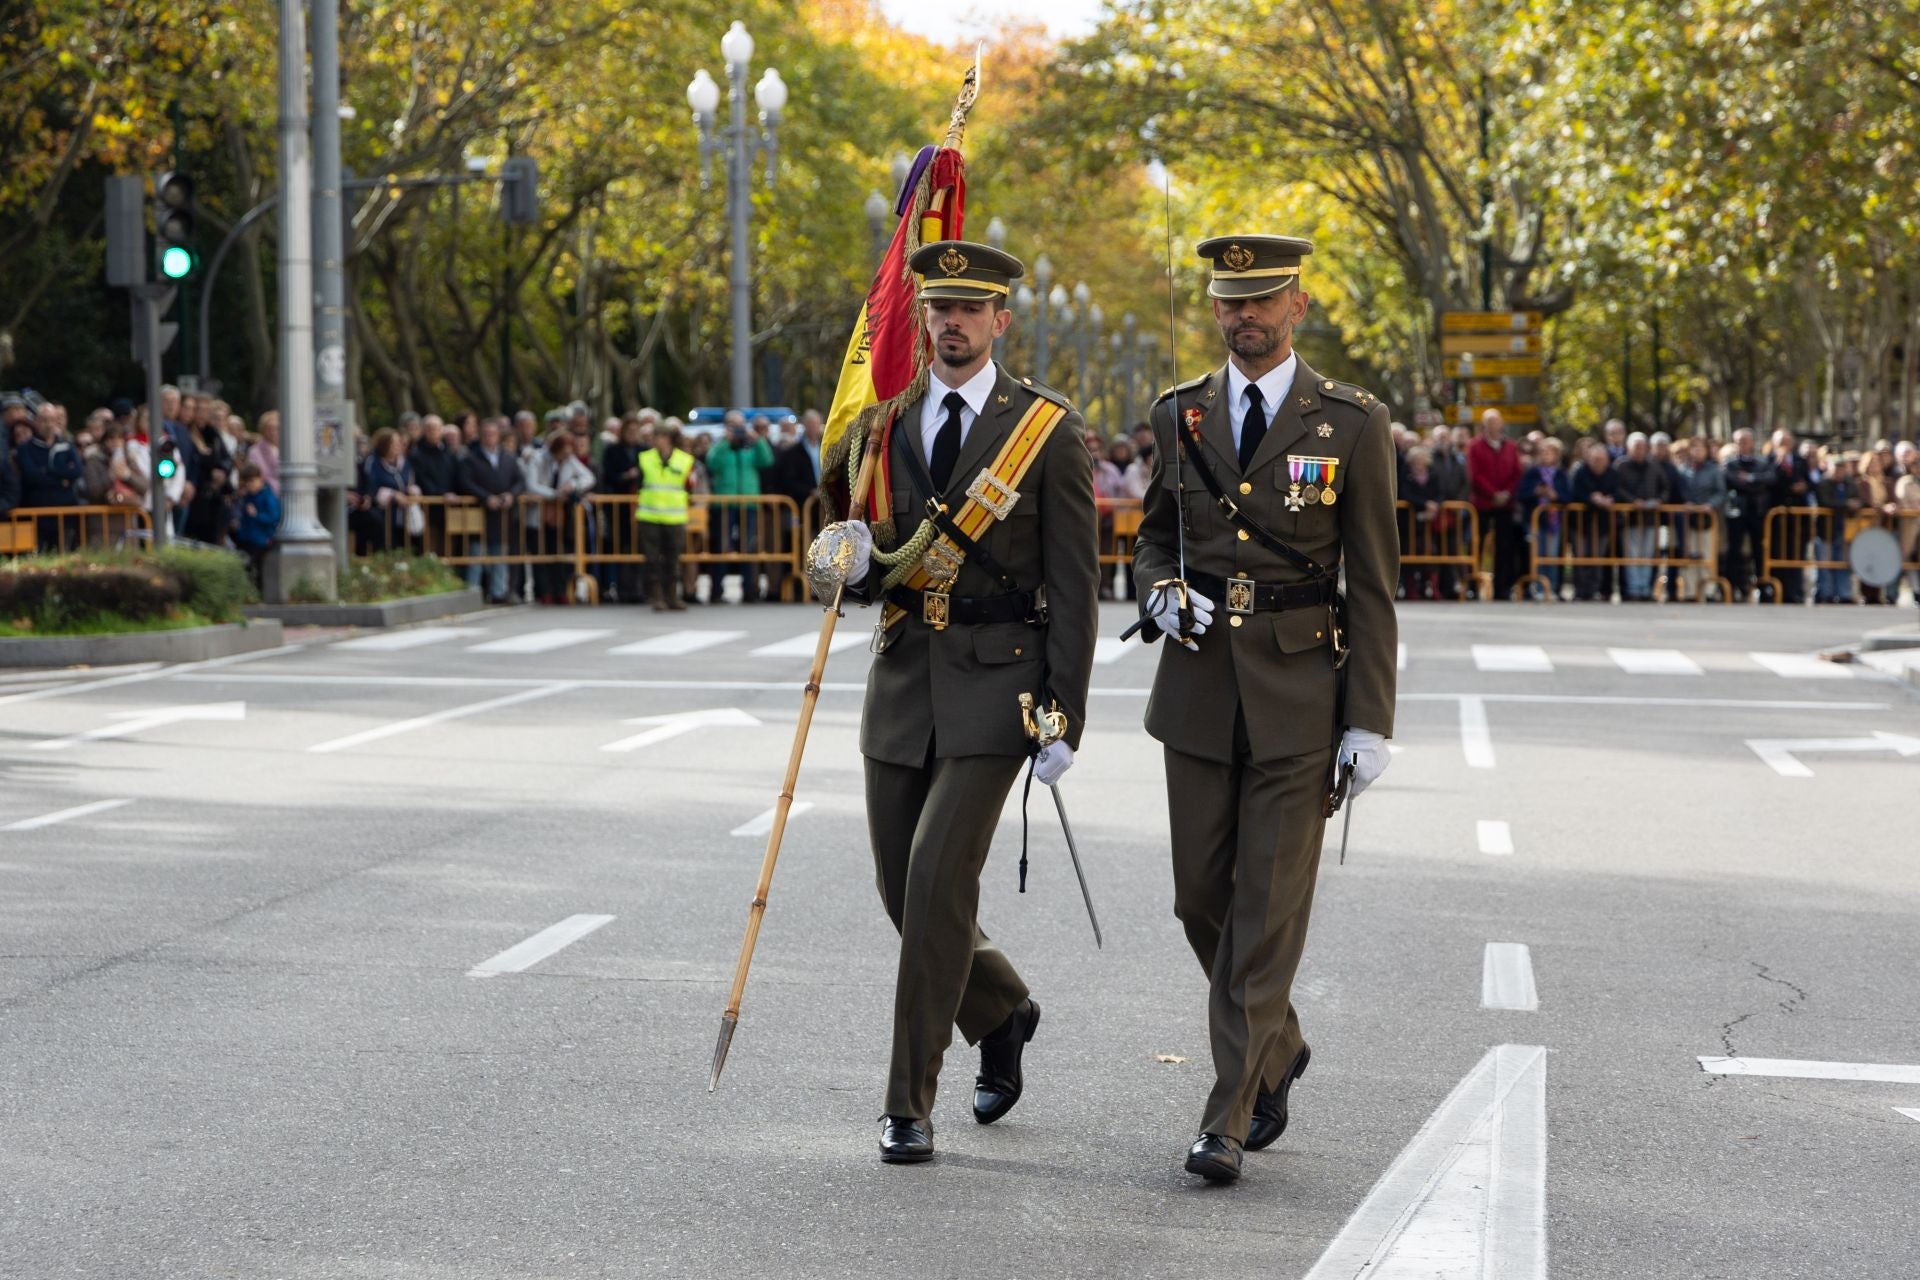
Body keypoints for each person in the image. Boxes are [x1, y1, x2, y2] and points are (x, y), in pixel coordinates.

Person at [1132, 234, 1397, 1182]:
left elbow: (1373, 584)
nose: (1244, 315)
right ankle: (1278, 1045)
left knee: (1267, 913)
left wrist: (1369, 719)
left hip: (1299, 696)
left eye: (1262, 299)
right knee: (1200, 899)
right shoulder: (1179, 413)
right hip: (1199, 689)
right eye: (1229, 300)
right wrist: (1160, 591)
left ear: (1298, 306)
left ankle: (1227, 1116)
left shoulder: (1352, 423)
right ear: (1214, 309)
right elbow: (1153, 539)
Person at [833, 240, 1098, 1166]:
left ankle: (907, 1103)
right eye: (939, 308)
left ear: (1000, 321)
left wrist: (1065, 711)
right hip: (903, 680)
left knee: (936, 882)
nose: (952, 322)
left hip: (997, 684)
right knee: (899, 891)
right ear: (923, 318)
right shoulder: (884, 425)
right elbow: (861, 552)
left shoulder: (1045, 432)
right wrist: (850, 567)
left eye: (970, 308)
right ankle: (1001, 1009)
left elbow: (1075, 584)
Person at [703, 410, 774, 603]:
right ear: (727, 426)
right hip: (724, 504)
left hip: (748, 503)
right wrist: (725, 442)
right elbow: (711, 463)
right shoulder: (720, 445)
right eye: (734, 425)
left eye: (741, 425)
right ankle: (716, 591)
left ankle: (749, 590)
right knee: (721, 547)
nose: (738, 429)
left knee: (748, 547)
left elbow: (767, 460)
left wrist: (758, 440)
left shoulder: (750, 446)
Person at [524, 430, 596, 604]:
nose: (566, 456)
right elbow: (532, 485)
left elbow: (588, 477)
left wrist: (573, 485)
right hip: (539, 512)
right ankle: (545, 591)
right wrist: (554, 494)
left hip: (560, 515)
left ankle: (560, 590)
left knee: (560, 553)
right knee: (541, 553)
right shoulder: (538, 459)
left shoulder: (569, 460)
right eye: (563, 453)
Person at [457, 417, 524, 604]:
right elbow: (465, 481)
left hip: (502, 513)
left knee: (499, 553)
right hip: (478, 512)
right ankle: (473, 591)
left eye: (493, 434)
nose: (490, 437)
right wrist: (485, 498)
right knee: (476, 553)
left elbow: (520, 481)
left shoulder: (508, 457)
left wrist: (511, 495)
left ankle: (498, 592)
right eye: (486, 434)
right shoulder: (470, 458)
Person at [635, 422, 696, 610]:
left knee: (672, 558)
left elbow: (690, 486)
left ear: (668, 438)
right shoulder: (645, 458)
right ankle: (657, 597)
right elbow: (639, 484)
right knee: (652, 559)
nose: (655, 440)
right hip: (649, 515)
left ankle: (672, 596)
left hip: (674, 517)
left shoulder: (685, 460)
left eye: (659, 436)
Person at [1467, 408, 1524, 600]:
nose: (1493, 425)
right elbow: (1475, 474)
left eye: (1496, 421)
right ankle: (1473, 586)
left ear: (1501, 423)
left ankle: (1502, 589)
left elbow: (1516, 473)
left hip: (1505, 505)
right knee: (1477, 544)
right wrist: (1493, 493)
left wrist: (1506, 493)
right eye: (1489, 422)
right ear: (1483, 425)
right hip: (1482, 503)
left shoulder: (1511, 446)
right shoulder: (1475, 446)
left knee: (1504, 546)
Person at [16, 402, 85, 550]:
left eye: (52, 419)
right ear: (36, 421)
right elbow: (32, 475)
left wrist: (48, 470)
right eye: (44, 419)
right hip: (36, 513)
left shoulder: (66, 446)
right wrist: (61, 480)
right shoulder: (25, 448)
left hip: (64, 513)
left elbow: (77, 471)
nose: (48, 424)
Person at [1613, 432, 1668, 601]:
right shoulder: (1621, 466)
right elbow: (1617, 488)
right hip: (1629, 519)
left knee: (1647, 554)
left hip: (1650, 519)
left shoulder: (1654, 466)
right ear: (1629, 448)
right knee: (1632, 555)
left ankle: (1645, 589)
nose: (1640, 450)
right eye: (1636, 447)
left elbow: (1665, 488)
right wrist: (1632, 501)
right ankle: (1633, 589)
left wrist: (1659, 500)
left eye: (1643, 447)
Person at [1723, 429, 1774, 600]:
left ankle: (1763, 587)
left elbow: (1769, 479)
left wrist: (1751, 478)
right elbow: (1732, 481)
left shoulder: (1761, 462)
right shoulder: (1730, 463)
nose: (1742, 444)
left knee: (1759, 550)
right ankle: (1733, 587)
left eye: (1745, 441)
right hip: (1737, 512)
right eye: (1739, 441)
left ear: (1752, 442)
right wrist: (1753, 483)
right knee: (1735, 550)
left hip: (1757, 511)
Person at [1516, 437, 1568, 599]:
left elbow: (1567, 497)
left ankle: (1551, 588)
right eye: (1543, 452)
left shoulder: (1560, 474)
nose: (1546, 455)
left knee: (1551, 555)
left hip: (1553, 521)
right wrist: (1536, 492)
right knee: (1537, 555)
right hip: (1535, 520)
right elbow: (1521, 494)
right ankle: (1539, 588)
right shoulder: (1533, 473)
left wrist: (1555, 496)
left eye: (1550, 452)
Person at [1567, 441, 1619, 601]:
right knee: (1581, 556)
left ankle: (1593, 590)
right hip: (1580, 523)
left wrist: (1610, 499)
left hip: (1603, 525)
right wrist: (1591, 498)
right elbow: (1575, 493)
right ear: (1589, 459)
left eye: (1602, 460)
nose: (1599, 463)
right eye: (1595, 460)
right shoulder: (1580, 472)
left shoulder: (1612, 473)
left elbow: (1618, 492)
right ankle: (1580, 590)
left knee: (1598, 557)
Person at [1767, 428, 1812, 603]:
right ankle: (1777, 590)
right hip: (1777, 516)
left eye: (1787, 442)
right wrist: (1778, 464)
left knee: (1796, 554)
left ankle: (1795, 591)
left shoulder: (1800, 461)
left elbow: (1810, 482)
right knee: (1777, 554)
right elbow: (1769, 481)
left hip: (1798, 517)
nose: (1785, 446)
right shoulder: (1769, 460)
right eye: (1781, 442)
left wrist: (1803, 487)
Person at [357, 428, 419, 554]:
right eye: (394, 443)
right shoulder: (372, 461)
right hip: (381, 515)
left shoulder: (405, 462)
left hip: (403, 515)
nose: (398, 446)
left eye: (399, 443)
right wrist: (392, 494)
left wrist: (412, 491)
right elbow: (370, 486)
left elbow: (409, 481)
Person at [1813, 451, 1861, 604]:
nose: (1839, 471)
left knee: (1843, 563)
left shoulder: (1850, 484)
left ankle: (1844, 593)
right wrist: (1846, 504)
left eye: (1842, 468)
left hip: (1845, 529)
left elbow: (1857, 500)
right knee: (1825, 563)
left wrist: (1855, 505)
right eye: (1836, 467)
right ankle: (1825, 593)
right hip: (1825, 530)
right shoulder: (1823, 484)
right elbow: (1826, 502)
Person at [230, 463, 280, 588]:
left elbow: (273, 518)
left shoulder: (268, 496)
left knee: (256, 571)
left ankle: (256, 593)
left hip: (260, 541)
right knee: (243, 568)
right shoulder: (248, 496)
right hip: (246, 538)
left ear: (260, 479)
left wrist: (257, 515)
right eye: (247, 483)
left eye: (252, 481)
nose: (250, 485)